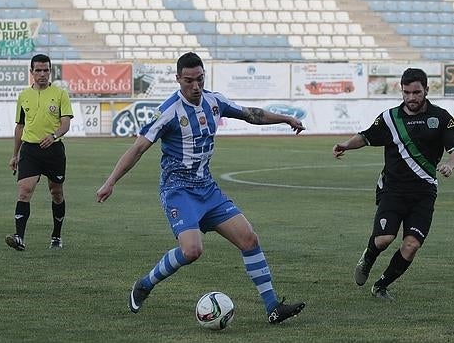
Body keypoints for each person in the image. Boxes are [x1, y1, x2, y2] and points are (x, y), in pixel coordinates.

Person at [96, 52, 306, 324]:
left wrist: (285, 119)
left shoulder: (213, 101)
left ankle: (272, 307)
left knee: (249, 239)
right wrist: (111, 181)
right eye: (188, 81)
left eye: (200, 79)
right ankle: (145, 284)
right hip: (178, 190)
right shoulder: (168, 112)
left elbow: (250, 115)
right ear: (178, 80)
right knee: (192, 251)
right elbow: (137, 149)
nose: (195, 87)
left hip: (207, 189)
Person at [333, 68, 454, 301]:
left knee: (411, 245)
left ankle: (381, 286)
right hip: (392, 189)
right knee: (384, 239)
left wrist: (450, 165)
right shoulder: (390, 118)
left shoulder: (441, 117)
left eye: (416, 92)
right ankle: (369, 256)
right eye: (406, 92)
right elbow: (365, 136)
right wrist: (345, 144)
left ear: (426, 90)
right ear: (401, 91)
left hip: (424, 192)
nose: (411, 98)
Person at [5, 54, 73, 251]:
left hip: (54, 151)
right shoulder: (24, 96)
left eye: (46, 70)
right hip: (30, 150)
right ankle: (19, 237)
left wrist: (53, 135)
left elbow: (66, 123)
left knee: (56, 193)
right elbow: (20, 127)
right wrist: (15, 154)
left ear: (50, 71)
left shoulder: (60, 94)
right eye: (38, 70)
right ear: (31, 72)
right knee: (24, 191)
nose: (42, 74)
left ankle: (56, 236)